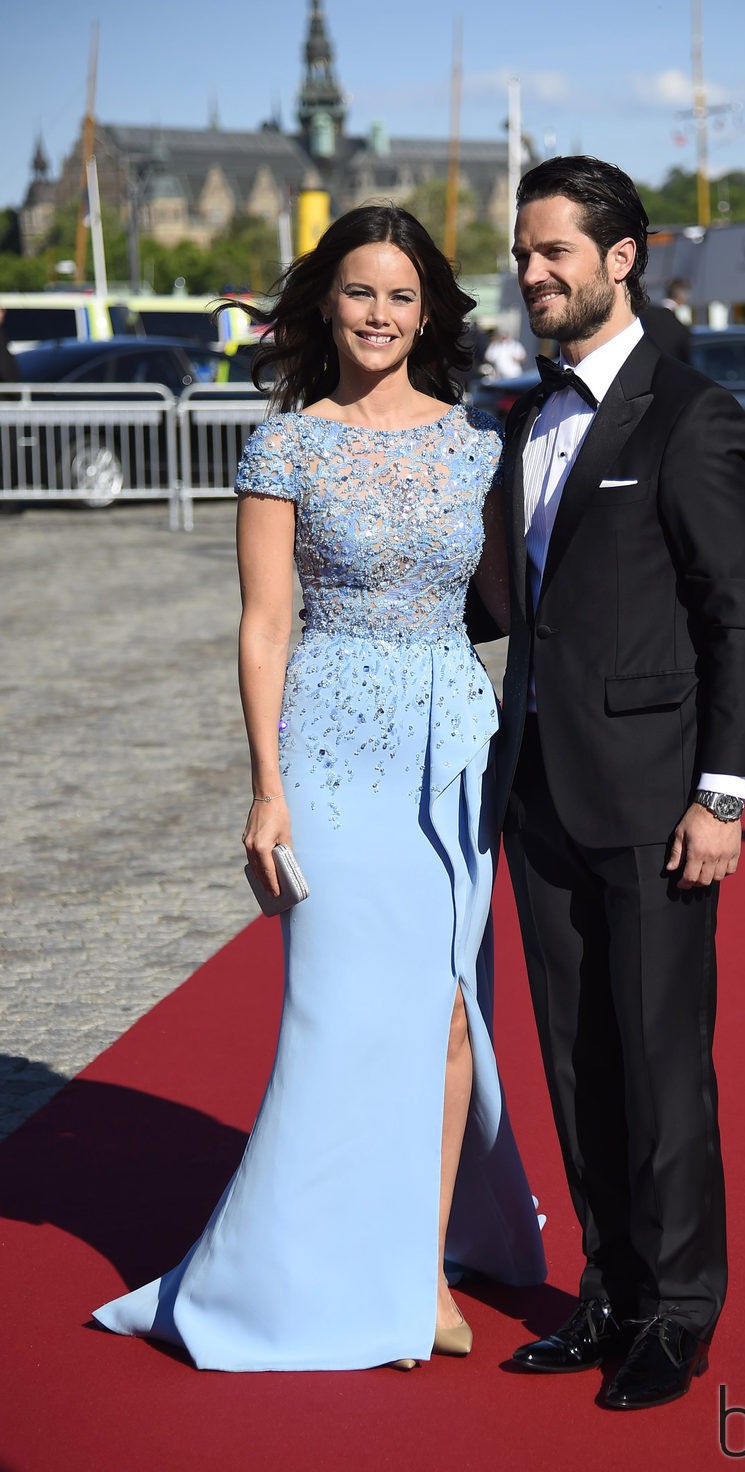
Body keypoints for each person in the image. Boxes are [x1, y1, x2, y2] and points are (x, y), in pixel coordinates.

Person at [93, 204, 546, 1371]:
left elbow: (516, 608)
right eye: (359, 292)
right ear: (324, 305)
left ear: (431, 309)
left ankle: (420, 1261)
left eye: (402, 295)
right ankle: (306, 1261)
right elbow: (262, 624)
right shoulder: (284, 443)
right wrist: (264, 786)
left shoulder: (475, 440)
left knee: (448, 1007)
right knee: (339, 1009)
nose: (381, 315)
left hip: (453, 741)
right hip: (334, 744)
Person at [496, 157, 745, 1410]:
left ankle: (676, 1307)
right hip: (540, 794)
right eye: (520, 253)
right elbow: (513, 606)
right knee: (570, 1056)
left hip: (660, 799)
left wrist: (722, 794)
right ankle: (603, 1285)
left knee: (661, 1062)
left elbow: (739, 615)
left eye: (552, 250)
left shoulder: (690, 413)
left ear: (622, 257)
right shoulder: (521, 416)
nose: (530, 273)